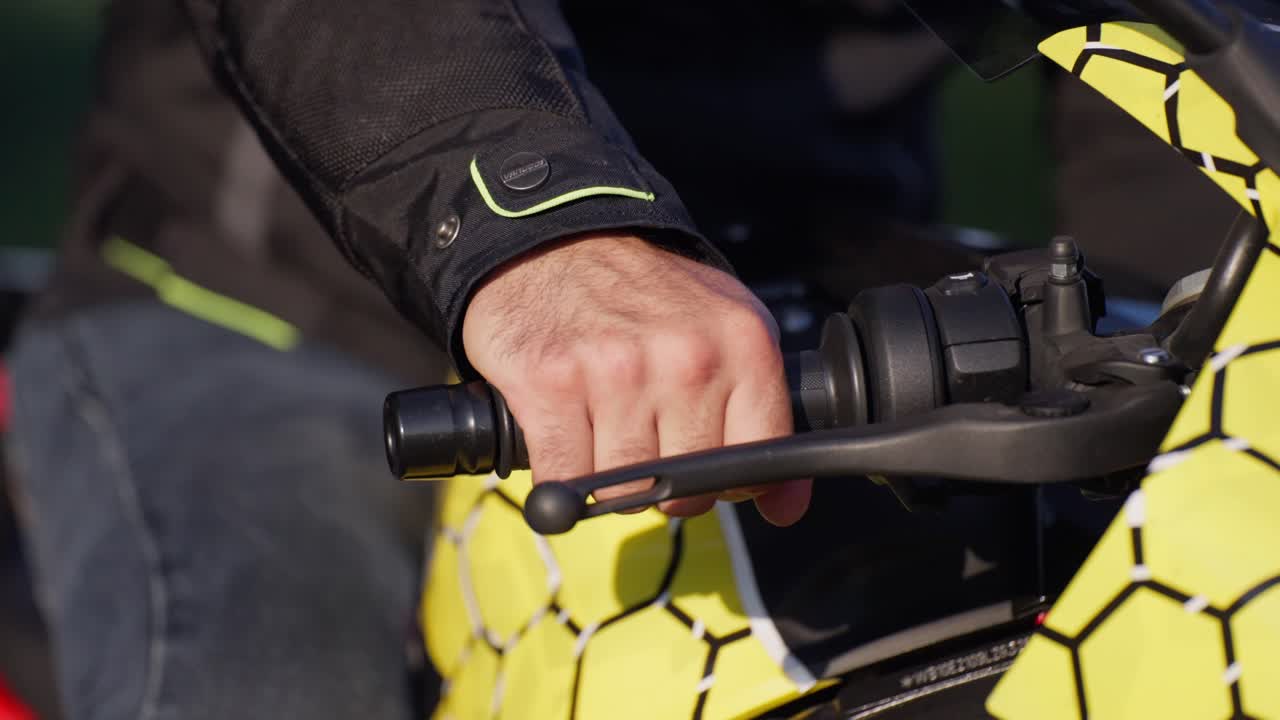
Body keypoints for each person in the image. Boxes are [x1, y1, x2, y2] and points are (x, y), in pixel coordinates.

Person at [4, 0, 1235, 718]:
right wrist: (543, 224)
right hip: (281, 303)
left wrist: (1195, 322)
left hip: (817, 291)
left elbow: (1191, 57)